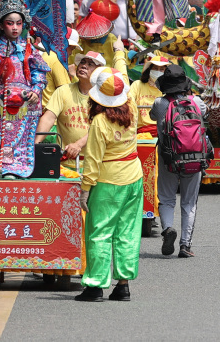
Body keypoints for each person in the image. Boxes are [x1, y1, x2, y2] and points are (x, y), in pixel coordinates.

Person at [75, 67, 141, 302]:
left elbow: (92, 161)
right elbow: (121, 76)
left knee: (99, 233)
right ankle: (123, 285)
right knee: (127, 232)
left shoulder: (100, 122)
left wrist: (85, 190)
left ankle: (95, 286)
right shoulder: (132, 109)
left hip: (107, 181)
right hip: (134, 176)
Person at [0, 0, 50, 178]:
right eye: (10, 23)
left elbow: (39, 73)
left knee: (20, 137)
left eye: (18, 23)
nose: (15, 28)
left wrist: (35, 90)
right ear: (1, 25)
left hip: (24, 99)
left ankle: (17, 167)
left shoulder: (29, 49)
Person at [152, 64, 207, 258]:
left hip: (169, 158)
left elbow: (153, 117)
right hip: (194, 158)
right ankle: (185, 245)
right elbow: (205, 115)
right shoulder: (197, 102)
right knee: (189, 203)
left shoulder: (160, 104)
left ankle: (167, 229)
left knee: (166, 199)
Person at [38, 51, 107, 172]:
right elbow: (48, 118)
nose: (84, 66)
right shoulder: (63, 91)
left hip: (94, 164)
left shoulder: (104, 96)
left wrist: (79, 144)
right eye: (82, 62)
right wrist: (36, 144)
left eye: (91, 64)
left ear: (99, 71)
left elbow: (101, 127)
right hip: (63, 162)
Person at [128, 54, 171, 137]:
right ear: (150, 69)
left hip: (163, 131)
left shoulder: (168, 89)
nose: (158, 71)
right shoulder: (138, 85)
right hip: (141, 132)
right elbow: (129, 101)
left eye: (161, 69)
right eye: (155, 68)